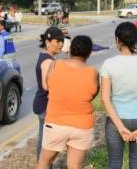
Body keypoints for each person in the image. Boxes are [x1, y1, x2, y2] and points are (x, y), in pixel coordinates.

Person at [37, 35, 98, 169]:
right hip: (82, 125)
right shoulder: (93, 72)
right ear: (89, 53)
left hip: (55, 123)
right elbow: (93, 94)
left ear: (70, 49)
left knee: (44, 162)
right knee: (75, 165)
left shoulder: (54, 65)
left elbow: (47, 87)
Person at [101, 22, 137, 169]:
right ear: (136, 39)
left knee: (114, 163)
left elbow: (105, 99)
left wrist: (120, 126)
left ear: (117, 40)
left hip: (115, 120)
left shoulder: (108, 64)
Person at [33, 27, 64, 162]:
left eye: (62, 41)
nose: (61, 44)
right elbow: (47, 85)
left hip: (43, 104)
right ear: (48, 42)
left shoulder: (46, 57)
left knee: (45, 140)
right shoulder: (48, 61)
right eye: (57, 41)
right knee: (46, 143)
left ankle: (43, 164)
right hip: (46, 106)